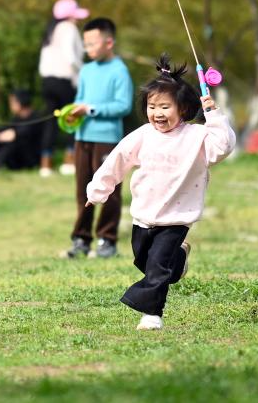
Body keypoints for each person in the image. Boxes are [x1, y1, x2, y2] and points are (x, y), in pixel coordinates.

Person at [86, 55, 236, 331]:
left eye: (165, 107)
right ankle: (179, 259)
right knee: (144, 260)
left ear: (183, 108)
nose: (157, 113)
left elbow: (223, 147)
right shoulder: (143, 135)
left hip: (177, 215)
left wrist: (214, 115)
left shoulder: (196, 136)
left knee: (157, 267)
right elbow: (117, 160)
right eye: (152, 106)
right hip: (144, 213)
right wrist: (98, 190)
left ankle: (152, 314)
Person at [59, 17, 133, 260]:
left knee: (108, 190)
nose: (87, 48)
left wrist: (90, 109)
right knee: (83, 190)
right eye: (85, 44)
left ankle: (107, 240)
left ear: (109, 42)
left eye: (92, 43)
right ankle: (81, 239)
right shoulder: (87, 70)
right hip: (83, 138)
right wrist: (73, 113)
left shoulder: (119, 71)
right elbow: (80, 100)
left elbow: (123, 105)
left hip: (107, 140)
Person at [38, 0, 89, 177]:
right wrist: (84, 70)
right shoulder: (69, 28)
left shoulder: (50, 31)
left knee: (51, 120)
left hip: (47, 81)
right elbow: (71, 56)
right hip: (65, 80)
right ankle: (69, 161)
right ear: (69, 16)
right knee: (72, 117)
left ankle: (46, 164)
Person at [0, 89, 43, 171]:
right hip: (17, 158)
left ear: (20, 102)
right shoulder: (17, 118)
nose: (10, 105)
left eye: (12, 102)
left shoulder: (35, 118)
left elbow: (15, 134)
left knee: (12, 141)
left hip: (30, 159)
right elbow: (3, 129)